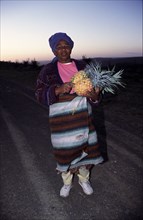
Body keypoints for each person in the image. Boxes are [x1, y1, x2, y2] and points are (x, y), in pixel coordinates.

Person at [35, 32, 104, 197]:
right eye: (58, 47)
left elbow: (96, 95)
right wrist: (57, 90)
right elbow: (38, 94)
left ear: (71, 47)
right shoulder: (48, 70)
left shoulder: (83, 67)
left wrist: (95, 96)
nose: (63, 49)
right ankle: (67, 182)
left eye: (66, 46)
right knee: (65, 151)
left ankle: (83, 179)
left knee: (86, 148)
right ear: (53, 51)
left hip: (82, 116)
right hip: (61, 121)